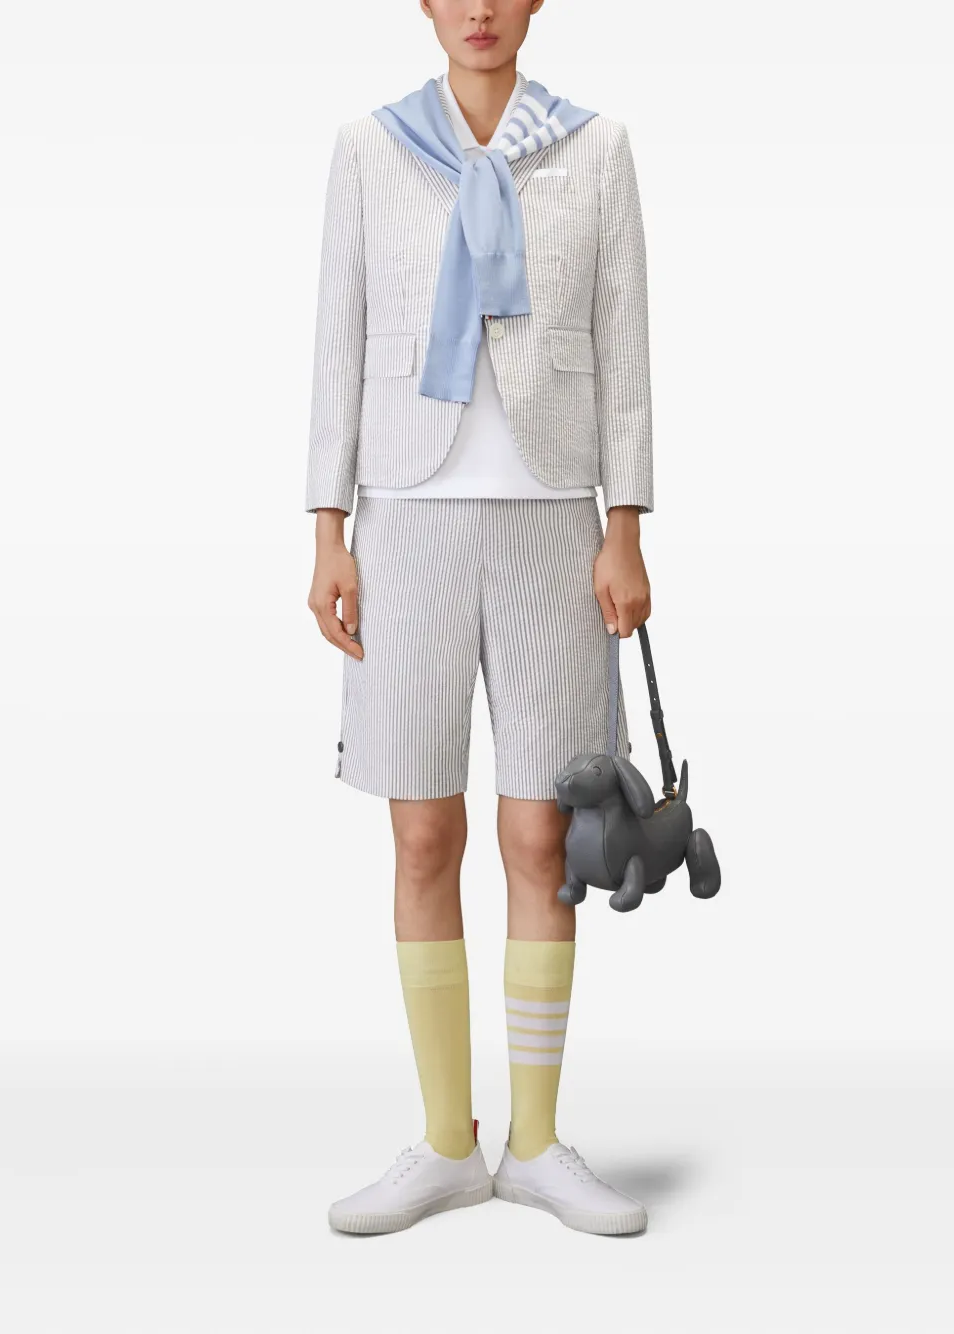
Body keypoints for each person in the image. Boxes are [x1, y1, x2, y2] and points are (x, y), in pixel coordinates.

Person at [306, 0, 653, 1236]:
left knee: (541, 836)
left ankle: (539, 1141)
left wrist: (625, 523)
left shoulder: (597, 149)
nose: (481, 9)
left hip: (555, 518)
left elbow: (625, 345)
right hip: (403, 518)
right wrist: (327, 527)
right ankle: (447, 1144)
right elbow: (337, 338)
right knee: (420, 834)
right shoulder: (369, 147)